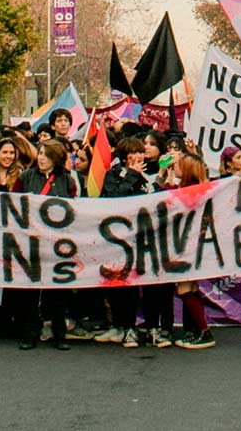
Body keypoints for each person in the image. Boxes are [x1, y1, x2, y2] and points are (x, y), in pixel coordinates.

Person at [14, 142, 77, 351]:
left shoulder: (67, 179)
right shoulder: (25, 177)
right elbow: (14, 204)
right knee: (30, 292)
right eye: (40, 153)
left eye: (46, 155)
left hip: (57, 243)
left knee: (57, 292)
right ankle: (29, 333)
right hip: (31, 242)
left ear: (56, 159)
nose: (41, 158)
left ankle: (59, 334)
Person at [101, 138, 153, 347]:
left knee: (135, 285)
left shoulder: (147, 176)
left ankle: (137, 327)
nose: (139, 156)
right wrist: (132, 175)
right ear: (124, 156)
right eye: (134, 153)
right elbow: (115, 196)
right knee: (117, 284)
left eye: (141, 152)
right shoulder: (113, 175)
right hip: (117, 239)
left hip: (140, 238)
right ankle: (121, 325)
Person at [171, 153, 220, 350]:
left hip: (188, 246)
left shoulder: (187, 193)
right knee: (191, 288)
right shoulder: (200, 190)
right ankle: (197, 331)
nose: (174, 167)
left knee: (184, 289)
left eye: (178, 165)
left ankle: (204, 332)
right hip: (196, 245)